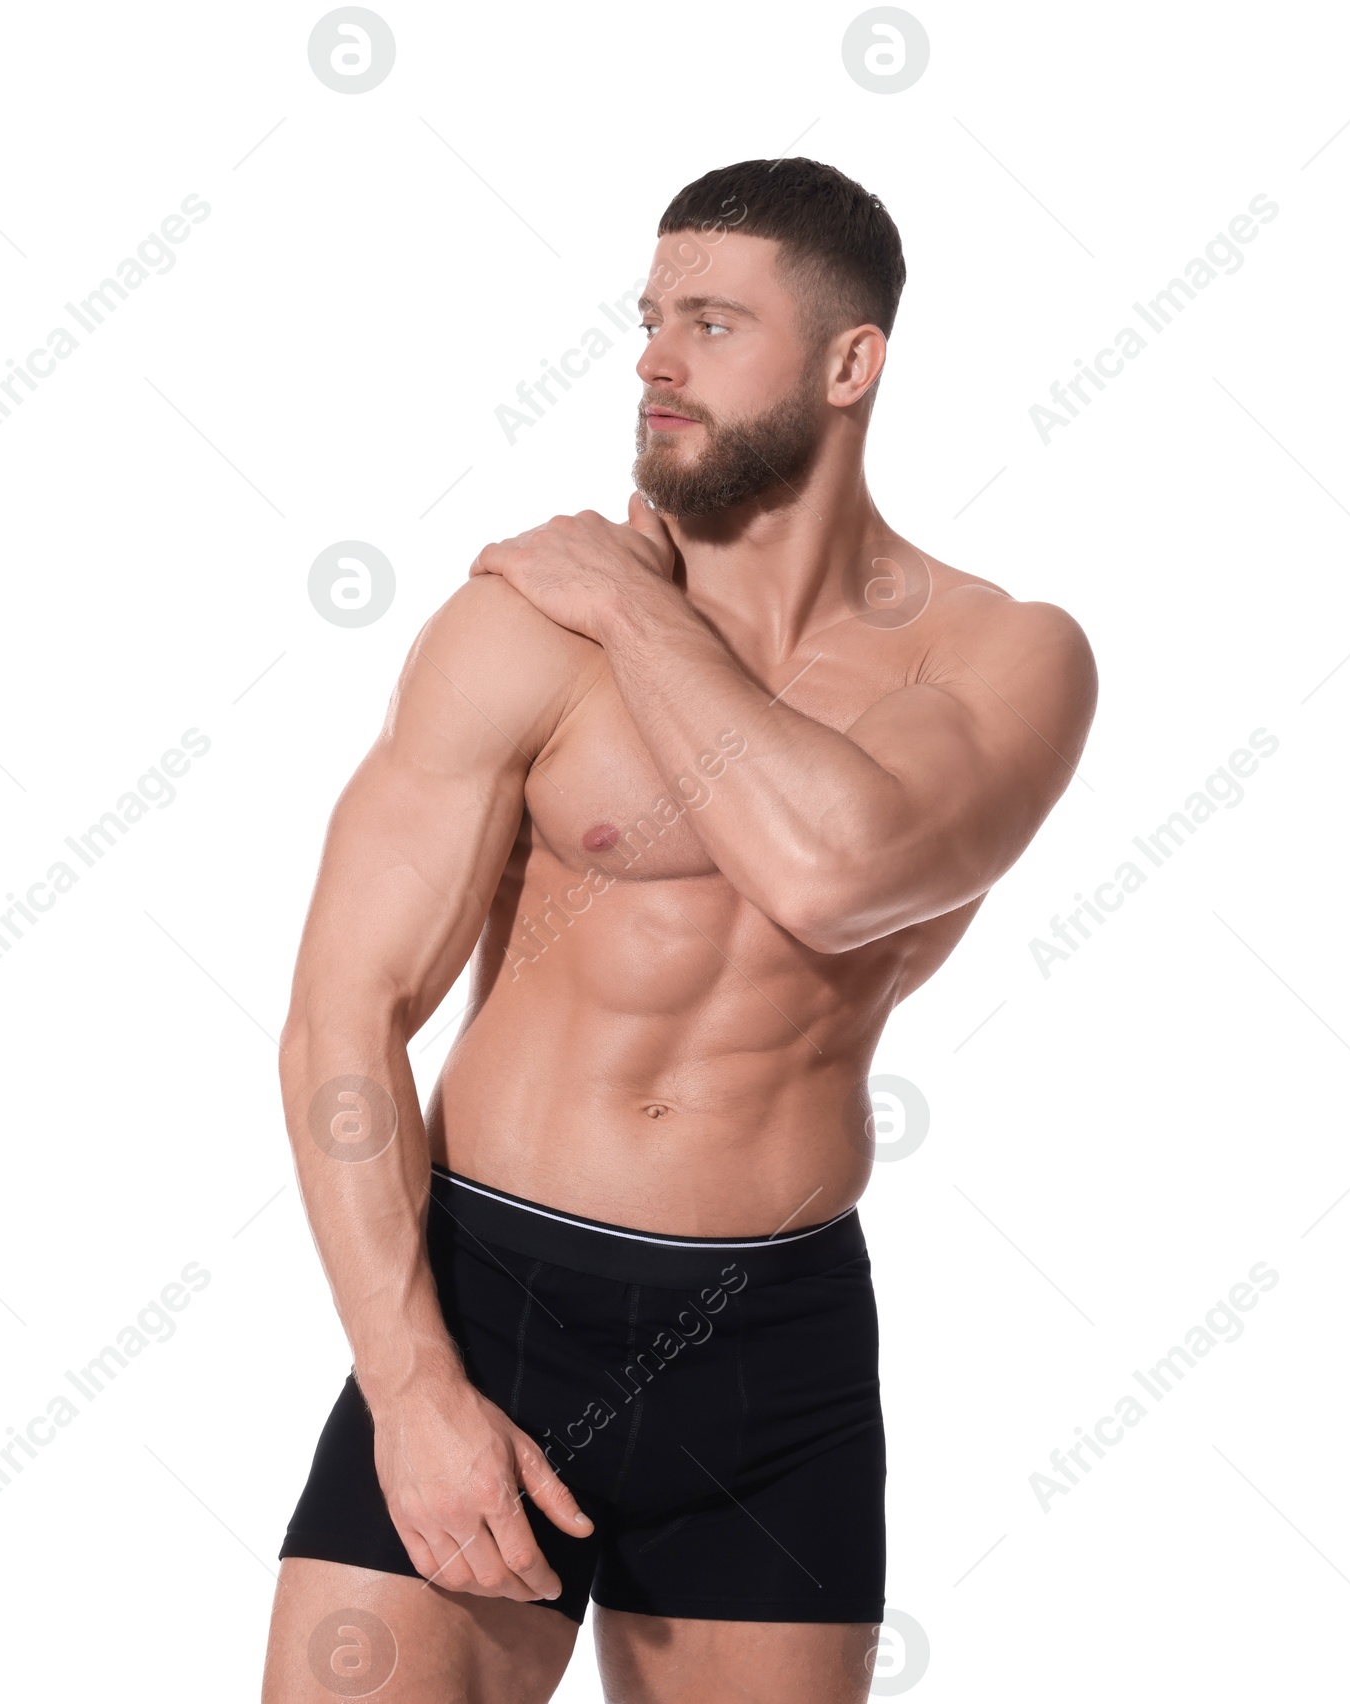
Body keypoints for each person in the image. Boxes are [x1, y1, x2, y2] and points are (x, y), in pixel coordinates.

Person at [261, 156, 1097, 1704]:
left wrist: (643, 609)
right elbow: (341, 1015)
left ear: (854, 364)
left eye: (712, 322)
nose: (653, 358)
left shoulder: (1004, 658)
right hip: (488, 1312)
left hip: (773, 1361)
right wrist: (410, 1388)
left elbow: (837, 875)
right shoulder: (521, 627)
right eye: (650, 318)